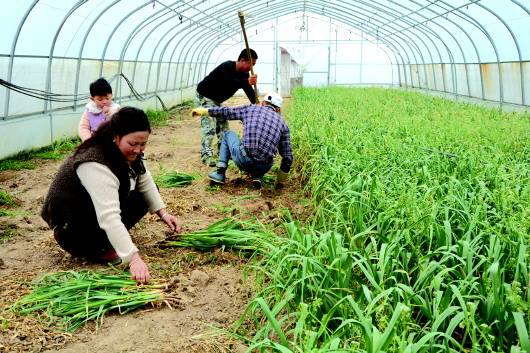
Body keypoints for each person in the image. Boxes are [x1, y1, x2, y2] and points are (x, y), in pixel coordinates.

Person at [41, 107, 181, 283]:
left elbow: (144, 179)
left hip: (92, 216)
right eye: (133, 144)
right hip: (72, 230)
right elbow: (109, 216)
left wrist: (164, 213)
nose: (138, 150)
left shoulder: (127, 152)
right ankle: (98, 248)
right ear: (116, 136)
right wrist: (133, 259)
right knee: (108, 216)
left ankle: (109, 241)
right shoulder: (94, 161)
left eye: (143, 144)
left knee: (141, 197)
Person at [191, 92, 292, 189]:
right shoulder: (283, 124)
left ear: (262, 103)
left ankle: (220, 173)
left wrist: (204, 111)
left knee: (227, 134)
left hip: (244, 160)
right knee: (266, 156)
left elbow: (226, 112)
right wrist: (280, 182)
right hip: (264, 167)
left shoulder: (251, 109)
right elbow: (288, 158)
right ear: (278, 110)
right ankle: (257, 177)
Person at [195, 48, 258, 167]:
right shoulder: (227, 67)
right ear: (243, 60)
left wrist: (258, 104)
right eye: (252, 64)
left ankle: (223, 153)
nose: (252, 68)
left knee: (224, 128)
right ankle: (206, 156)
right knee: (209, 127)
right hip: (205, 96)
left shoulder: (245, 75)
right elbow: (230, 81)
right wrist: (246, 81)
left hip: (217, 101)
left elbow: (249, 90)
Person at [78, 78, 121, 142]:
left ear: (111, 96)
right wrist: (89, 141)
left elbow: (122, 126)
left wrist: (112, 115)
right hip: (93, 141)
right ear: (92, 99)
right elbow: (83, 128)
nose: (104, 102)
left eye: (107, 98)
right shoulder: (90, 110)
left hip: (112, 142)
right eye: (100, 99)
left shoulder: (116, 108)